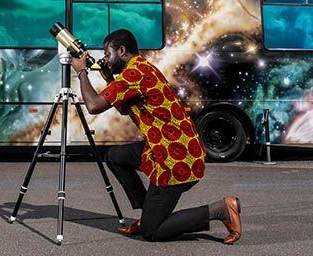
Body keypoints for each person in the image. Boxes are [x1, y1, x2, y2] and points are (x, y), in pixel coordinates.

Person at [71, 29, 242, 244]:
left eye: (108, 54)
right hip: (163, 146)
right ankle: (149, 213)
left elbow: (94, 106)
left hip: (174, 158)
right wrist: (109, 78)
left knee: (152, 232)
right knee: (115, 156)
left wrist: (81, 72)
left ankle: (220, 209)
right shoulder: (139, 69)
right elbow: (125, 109)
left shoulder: (134, 74)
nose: (105, 59)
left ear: (121, 50)